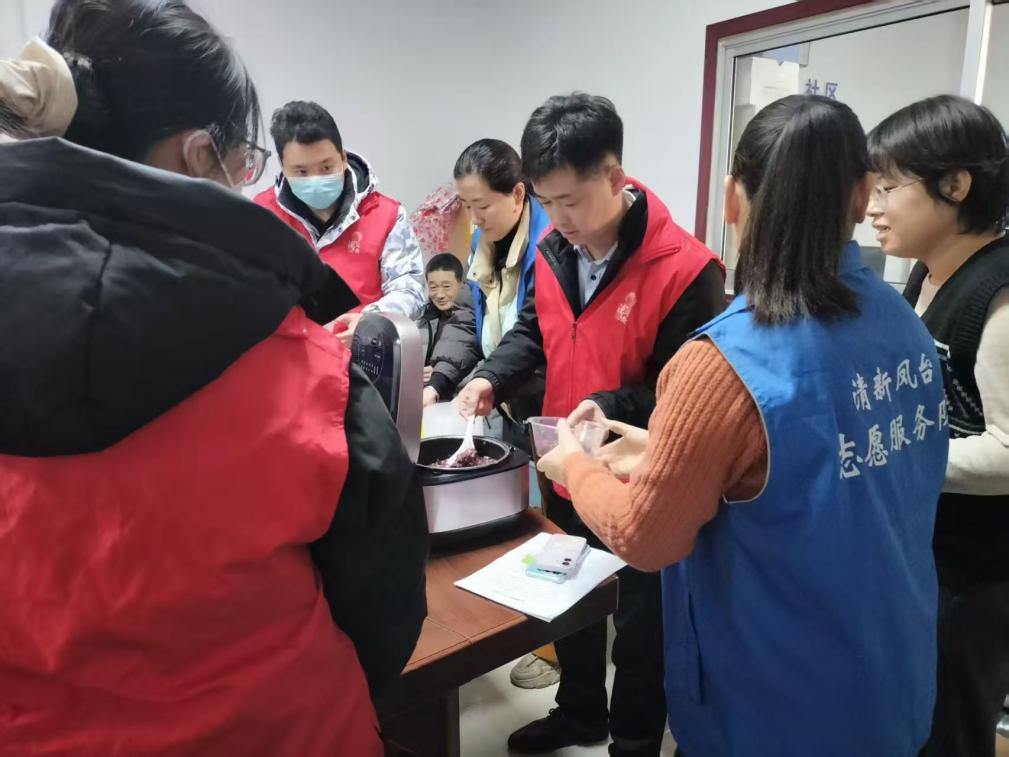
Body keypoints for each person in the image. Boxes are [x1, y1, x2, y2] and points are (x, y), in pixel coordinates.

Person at [0, 3, 427, 755]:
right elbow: (385, 606)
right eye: (251, 161)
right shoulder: (304, 376)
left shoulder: (383, 225)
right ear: (200, 157)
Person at [536, 94, 949, 757]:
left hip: (775, 700)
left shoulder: (724, 359)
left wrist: (574, 468)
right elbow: (807, 466)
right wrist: (664, 448)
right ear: (860, 194)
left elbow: (646, 538)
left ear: (731, 198)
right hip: (889, 669)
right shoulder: (903, 322)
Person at [458, 94, 726, 756]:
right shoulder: (554, 251)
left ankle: (633, 740)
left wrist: (608, 404)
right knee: (570, 598)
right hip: (564, 463)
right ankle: (579, 712)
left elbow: (684, 392)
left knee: (639, 627)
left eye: (571, 201)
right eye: (546, 202)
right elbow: (534, 331)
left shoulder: (687, 268)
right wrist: (491, 376)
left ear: (614, 176)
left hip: (638, 479)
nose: (558, 219)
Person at [867, 95, 1009, 757]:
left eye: (889, 187)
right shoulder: (926, 273)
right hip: (924, 554)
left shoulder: (997, 295)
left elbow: (1006, 450)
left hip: (974, 574)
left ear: (954, 185)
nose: (872, 207)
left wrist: (892, 457)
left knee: (950, 728)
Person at [255, 100, 425, 344]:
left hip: (360, 355)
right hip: (287, 356)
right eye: (301, 172)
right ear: (282, 166)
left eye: (326, 167)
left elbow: (410, 289)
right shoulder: (262, 214)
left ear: (343, 157)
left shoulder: (386, 215)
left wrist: (370, 320)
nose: (315, 179)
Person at [454, 138, 550, 449]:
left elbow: (533, 332)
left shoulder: (550, 246)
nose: (474, 218)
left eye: (482, 206)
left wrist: (491, 377)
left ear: (517, 194)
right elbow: (468, 315)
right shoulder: (481, 244)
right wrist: (440, 382)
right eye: (466, 206)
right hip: (507, 396)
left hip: (546, 405)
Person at [419, 253, 481, 407]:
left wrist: (439, 375)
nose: (440, 295)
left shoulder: (475, 317)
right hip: (429, 403)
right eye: (433, 287)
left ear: (461, 284)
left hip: (463, 402)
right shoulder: (422, 319)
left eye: (447, 287)